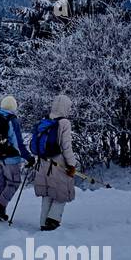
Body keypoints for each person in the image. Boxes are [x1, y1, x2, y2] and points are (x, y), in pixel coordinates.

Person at [0, 95, 35, 222]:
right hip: (10, 159)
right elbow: (18, 143)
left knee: (0, 184)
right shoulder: (12, 120)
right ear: (14, 107)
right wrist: (29, 157)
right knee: (13, 183)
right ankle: (0, 206)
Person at [32, 93, 78, 231]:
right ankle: (53, 220)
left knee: (47, 192)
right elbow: (66, 146)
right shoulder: (64, 123)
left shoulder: (45, 121)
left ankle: (43, 222)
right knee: (62, 191)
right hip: (58, 162)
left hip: (42, 162)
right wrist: (72, 164)